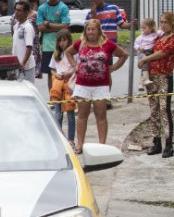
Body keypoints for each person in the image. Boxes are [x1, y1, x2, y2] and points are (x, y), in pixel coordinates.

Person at [66, 18, 128, 153]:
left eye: (93, 29)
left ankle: (102, 145)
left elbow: (123, 54)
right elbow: (68, 52)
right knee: (82, 115)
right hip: (82, 85)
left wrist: (113, 68)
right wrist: (74, 65)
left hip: (101, 86)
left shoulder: (107, 44)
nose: (90, 32)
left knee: (101, 115)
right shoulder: (81, 44)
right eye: (88, 29)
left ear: (99, 30)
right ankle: (80, 144)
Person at [136, 12, 174, 157]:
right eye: (161, 22)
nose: (163, 24)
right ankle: (156, 142)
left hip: (164, 76)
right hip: (152, 76)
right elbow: (148, 48)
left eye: (165, 22)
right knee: (154, 109)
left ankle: (169, 144)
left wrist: (146, 59)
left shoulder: (171, 39)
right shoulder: (158, 37)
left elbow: (163, 53)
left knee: (164, 109)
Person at [37, 0, 71, 89]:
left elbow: (65, 26)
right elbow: (40, 27)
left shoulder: (63, 7)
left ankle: (64, 96)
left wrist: (48, 24)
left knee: (64, 70)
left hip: (62, 45)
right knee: (50, 73)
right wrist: (57, 26)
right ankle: (52, 98)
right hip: (47, 45)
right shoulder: (42, 8)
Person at [48, 29, 77, 146]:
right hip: (57, 84)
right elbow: (52, 68)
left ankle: (71, 140)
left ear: (69, 40)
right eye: (60, 41)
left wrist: (69, 74)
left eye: (64, 40)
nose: (62, 43)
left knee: (70, 113)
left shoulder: (74, 54)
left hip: (68, 84)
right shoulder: (56, 54)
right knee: (58, 114)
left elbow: (77, 67)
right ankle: (59, 139)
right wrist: (56, 75)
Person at [11, 0, 37, 84]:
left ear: (26, 13)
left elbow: (29, 47)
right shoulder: (16, 26)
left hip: (26, 67)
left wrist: (23, 63)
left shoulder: (27, 27)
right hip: (17, 66)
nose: (16, 12)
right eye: (15, 10)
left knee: (28, 90)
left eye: (19, 10)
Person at [134, 17, 161, 92]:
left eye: (144, 28)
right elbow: (135, 45)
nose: (142, 30)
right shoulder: (141, 37)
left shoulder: (155, 34)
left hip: (150, 52)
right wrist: (139, 48)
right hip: (144, 52)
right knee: (145, 66)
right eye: (142, 28)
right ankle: (145, 80)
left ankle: (141, 83)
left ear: (151, 28)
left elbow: (162, 32)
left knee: (146, 66)